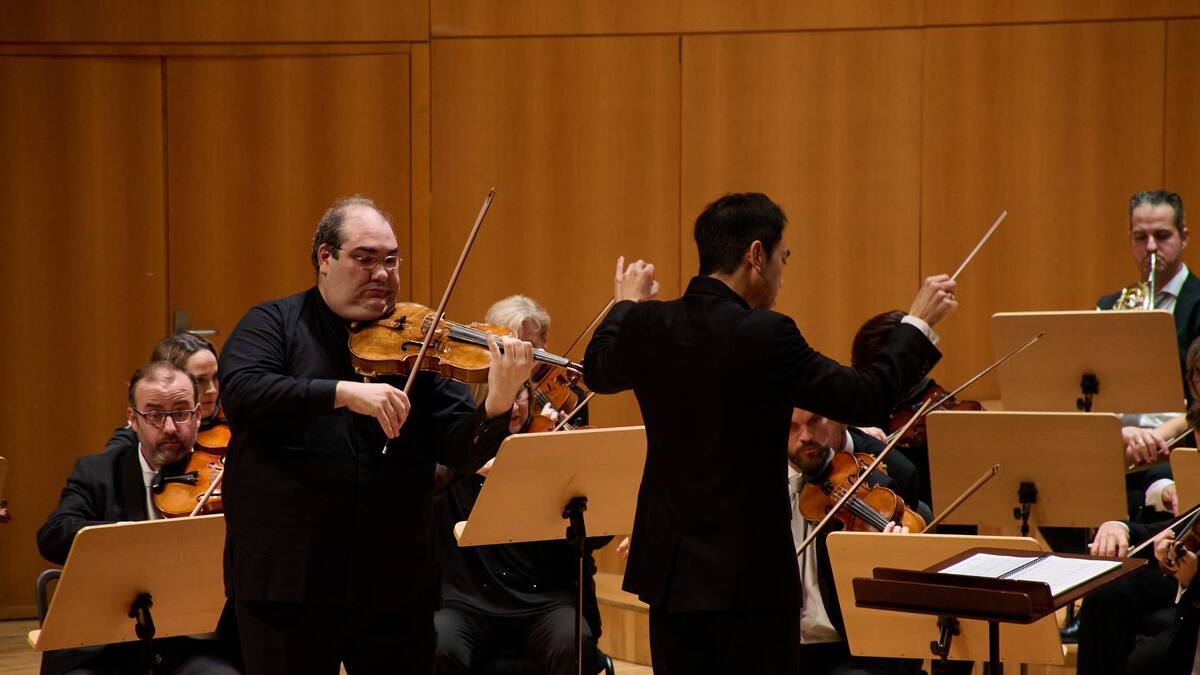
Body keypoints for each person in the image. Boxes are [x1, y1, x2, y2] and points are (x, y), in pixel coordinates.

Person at [583, 192, 957, 674]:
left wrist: (625, 306)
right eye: (783, 257)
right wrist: (918, 323)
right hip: (749, 579)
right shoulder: (767, 334)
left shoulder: (651, 323)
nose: (783, 271)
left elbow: (596, 371)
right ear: (755, 255)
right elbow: (866, 396)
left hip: (672, 576)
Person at [218, 196, 535, 675]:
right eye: (364, 258)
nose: (382, 273)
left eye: (390, 260)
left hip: (392, 585)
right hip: (290, 582)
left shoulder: (419, 344)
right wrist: (342, 392)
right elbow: (243, 391)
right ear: (325, 259)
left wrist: (496, 403)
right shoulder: (273, 324)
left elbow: (458, 447)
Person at [36, 361, 241, 675]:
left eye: (181, 412)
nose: (170, 428)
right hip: (105, 646)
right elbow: (53, 534)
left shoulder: (225, 475)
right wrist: (131, 537)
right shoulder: (97, 472)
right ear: (133, 419)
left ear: (198, 416)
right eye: (155, 415)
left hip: (194, 645)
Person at [787, 408, 921, 675]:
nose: (805, 437)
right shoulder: (749, 481)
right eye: (792, 427)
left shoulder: (887, 476)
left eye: (815, 421)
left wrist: (899, 559)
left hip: (853, 647)